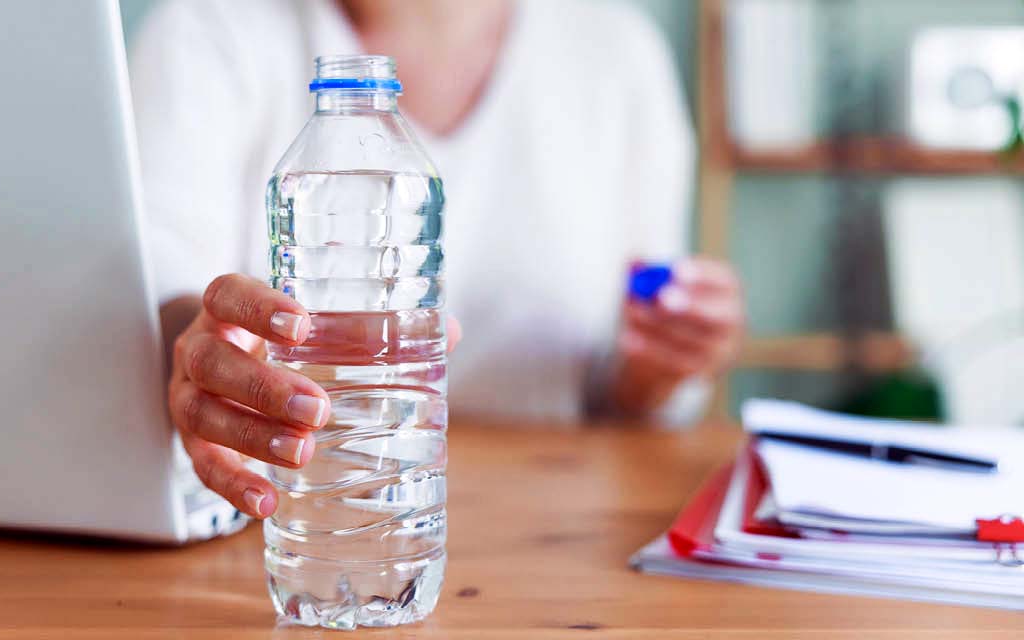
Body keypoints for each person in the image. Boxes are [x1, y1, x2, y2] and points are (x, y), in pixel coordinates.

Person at [129, 0, 745, 519]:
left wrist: (662, 366)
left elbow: (632, 397)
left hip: (560, 531)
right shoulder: (209, 28)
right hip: (303, 514)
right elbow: (158, 298)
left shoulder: (616, 55)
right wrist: (200, 348)